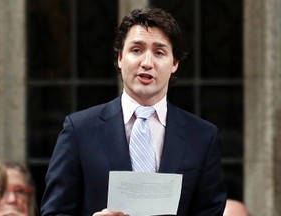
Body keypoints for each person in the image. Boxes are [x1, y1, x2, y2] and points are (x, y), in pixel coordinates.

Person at [41, 6, 227, 216]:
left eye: (159, 52)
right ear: (120, 58)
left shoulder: (202, 136)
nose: (147, 63)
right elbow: (54, 211)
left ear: (174, 63)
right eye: (136, 50)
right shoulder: (79, 130)